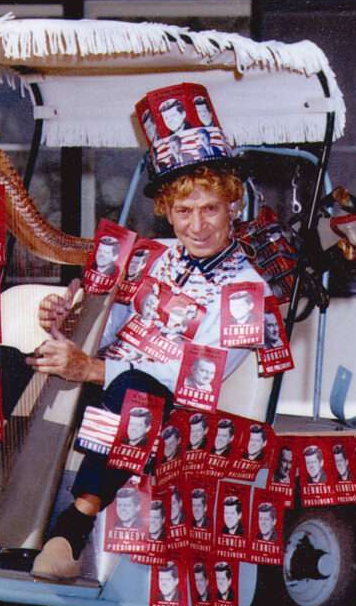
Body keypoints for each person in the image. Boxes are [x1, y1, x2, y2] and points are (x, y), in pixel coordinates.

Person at [28, 84, 268, 581]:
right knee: (6, 363)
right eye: (184, 211)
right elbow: (110, 327)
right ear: (167, 212)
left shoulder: (247, 290)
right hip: (108, 382)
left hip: (172, 410)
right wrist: (66, 322)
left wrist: (92, 367)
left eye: (210, 209)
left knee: (133, 390)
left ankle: (74, 526)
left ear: (232, 209)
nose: (197, 226)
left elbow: (196, 377)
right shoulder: (154, 258)